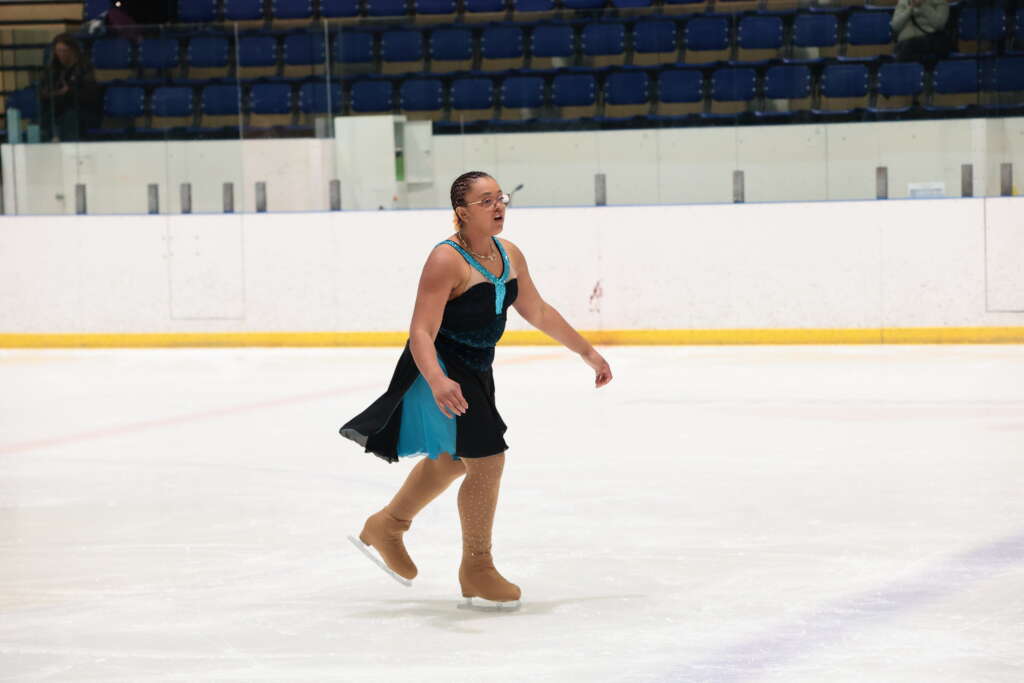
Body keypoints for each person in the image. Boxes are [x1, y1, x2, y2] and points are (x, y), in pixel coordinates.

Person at [340, 171, 613, 610]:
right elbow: (421, 332)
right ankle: (477, 567)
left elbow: (538, 310)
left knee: (452, 460)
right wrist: (436, 380)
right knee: (487, 460)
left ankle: (388, 526)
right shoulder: (445, 260)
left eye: (500, 198)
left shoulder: (510, 254)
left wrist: (587, 352)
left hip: (477, 368)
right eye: (485, 201)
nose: (498, 206)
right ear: (462, 212)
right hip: (441, 367)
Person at [38, 34, 100, 142]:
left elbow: (91, 95)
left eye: (65, 51)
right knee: (41, 118)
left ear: (73, 51)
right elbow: (43, 90)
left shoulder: (84, 68)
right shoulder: (52, 68)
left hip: (80, 111)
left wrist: (69, 91)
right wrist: (50, 93)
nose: (61, 54)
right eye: (58, 51)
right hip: (56, 109)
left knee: (69, 117)